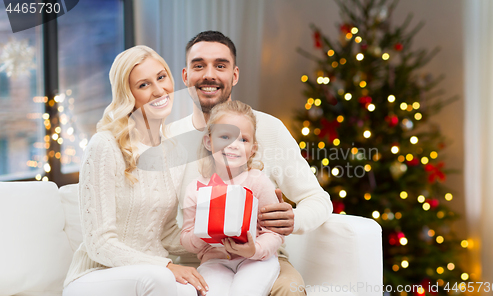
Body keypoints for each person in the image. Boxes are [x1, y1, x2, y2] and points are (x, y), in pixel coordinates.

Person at [167, 31, 333, 295]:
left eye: (220, 65)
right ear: (186, 76)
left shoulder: (269, 129)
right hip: (193, 261)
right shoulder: (168, 139)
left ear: (234, 75)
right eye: (199, 65)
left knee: (289, 290)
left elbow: (319, 200)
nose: (209, 74)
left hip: (261, 256)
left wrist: (293, 219)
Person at [62, 45, 208, 296]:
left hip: (150, 273)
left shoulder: (175, 152)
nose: (159, 90)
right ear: (127, 94)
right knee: (160, 278)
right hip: (95, 275)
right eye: (144, 85)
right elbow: (99, 244)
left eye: (161, 78)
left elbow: (167, 233)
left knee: (194, 289)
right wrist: (166, 266)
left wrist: (215, 240)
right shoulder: (105, 145)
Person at [181, 100, 284, 296]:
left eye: (243, 140)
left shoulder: (258, 182)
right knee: (211, 292)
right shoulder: (196, 189)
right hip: (214, 261)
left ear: (252, 149)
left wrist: (255, 250)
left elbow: (275, 233)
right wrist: (203, 229)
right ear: (209, 142)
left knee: (245, 291)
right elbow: (185, 237)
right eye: (225, 136)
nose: (234, 145)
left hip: (255, 259)